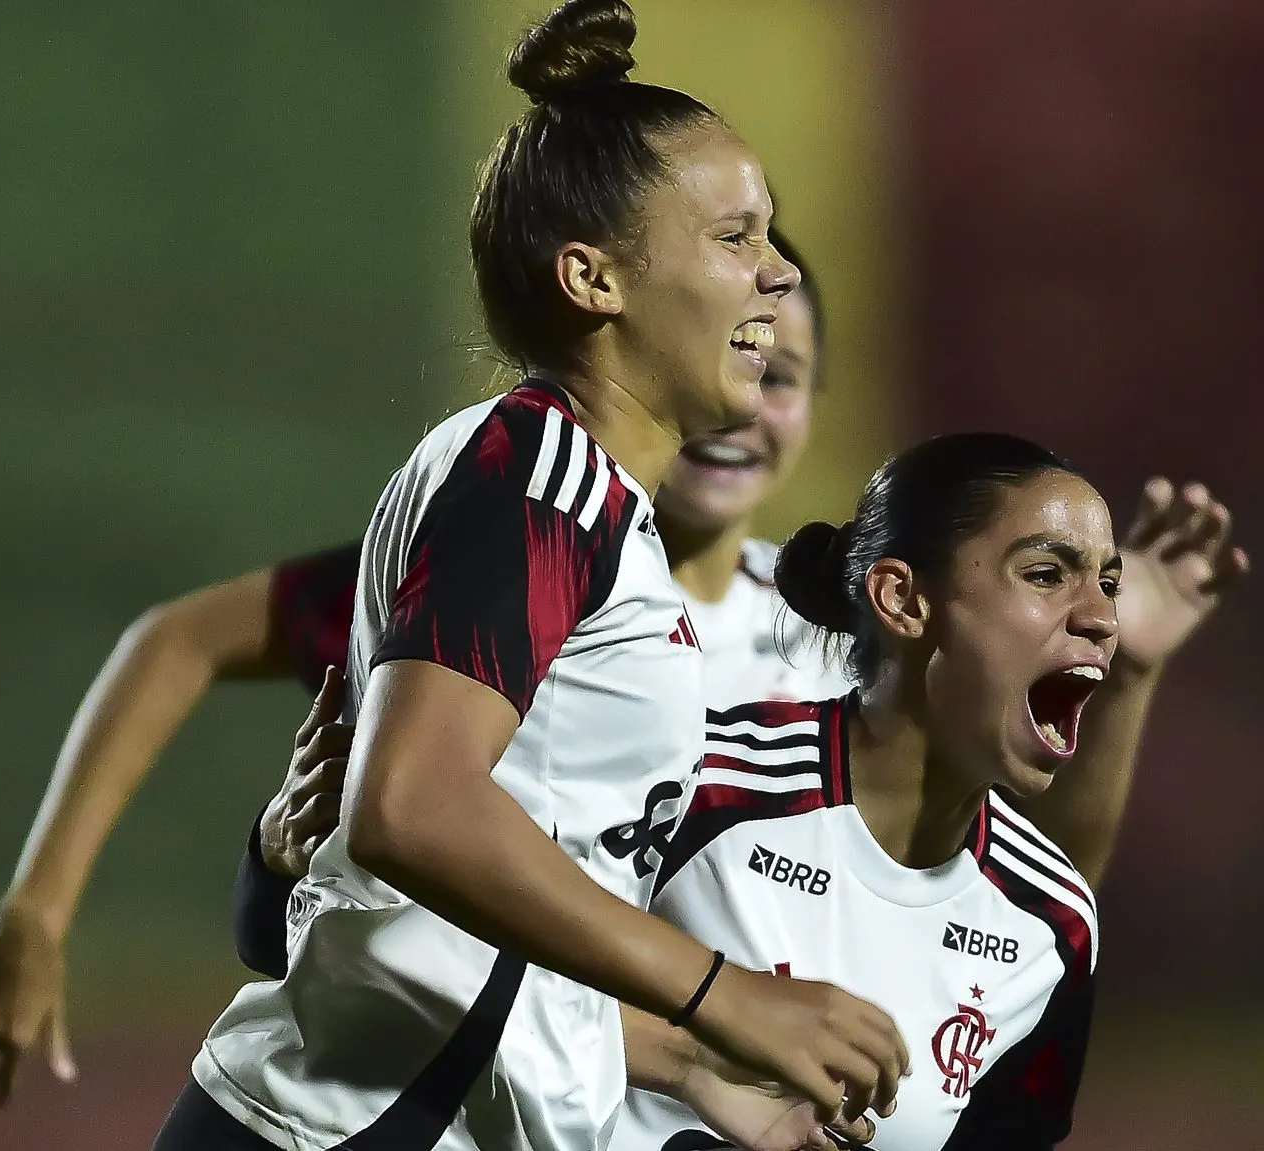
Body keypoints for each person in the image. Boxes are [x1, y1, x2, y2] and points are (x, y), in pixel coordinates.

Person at [0, 223, 1245, 1111]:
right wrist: (139, 891)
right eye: (742, 352)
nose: (753, 396)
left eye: (787, 376)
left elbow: (1006, 880)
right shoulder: (513, 552)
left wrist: (1119, 677)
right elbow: (251, 734)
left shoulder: (836, 638)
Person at [141, 3, 909, 1148]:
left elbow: (461, 923)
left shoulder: (581, 499)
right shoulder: (538, 471)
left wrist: (687, 1058)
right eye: (736, 237)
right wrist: (723, 991)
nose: (778, 272)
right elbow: (412, 808)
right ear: (595, 278)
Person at [244, 433, 1157, 1150]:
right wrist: (276, 869)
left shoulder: (1053, 925)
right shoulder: (702, 780)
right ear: (903, 601)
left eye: (1108, 583)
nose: (1101, 617)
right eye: (1046, 574)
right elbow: (394, 949)